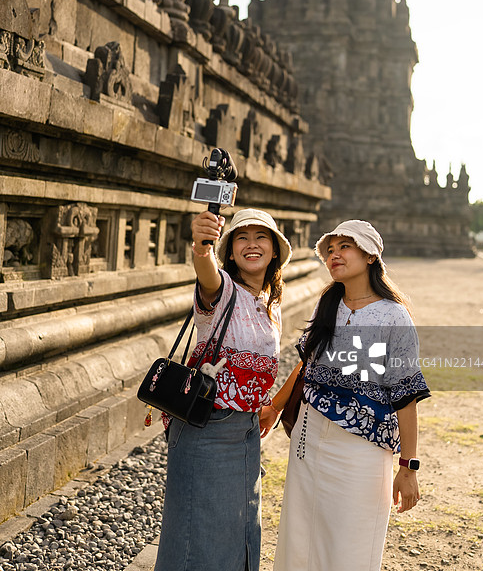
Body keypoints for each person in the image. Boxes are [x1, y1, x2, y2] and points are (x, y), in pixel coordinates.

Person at [260, 219, 430, 571]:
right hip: (309, 436)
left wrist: (409, 467)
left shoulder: (394, 317)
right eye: (330, 250)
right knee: (299, 535)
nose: (334, 255)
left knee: (352, 541)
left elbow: (405, 396)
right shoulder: (328, 304)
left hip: (363, 449)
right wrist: (275, 407)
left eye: (344, 247)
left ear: (370, 256)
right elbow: (305, 365)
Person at [154, 208, 292, 571]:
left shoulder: (271, 305)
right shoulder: (222, 291)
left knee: (239, 532)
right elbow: (208, 275)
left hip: (245, 433)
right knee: (196, 537)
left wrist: (265, 406)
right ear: (229, 252)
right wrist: (202, 246)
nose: (251, 244)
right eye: (242, 238)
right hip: (206, 429)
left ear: (274, 250)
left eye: (261, 237)